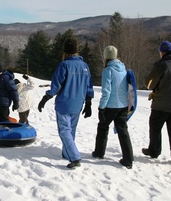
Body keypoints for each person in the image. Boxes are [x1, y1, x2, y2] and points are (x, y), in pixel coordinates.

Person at [38, 38, 94, 169]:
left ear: (65, 51)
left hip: (64, 104)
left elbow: (56, 85)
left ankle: (74, 158)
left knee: (64, 131)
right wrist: (89, 102)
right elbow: (89, 86)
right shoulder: (85, 66)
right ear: (77, 50)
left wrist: (46, 98)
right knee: (71, 130)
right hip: (78, 104)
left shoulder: (64, 65)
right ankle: (66, 153)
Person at [92, 46, 134, 169]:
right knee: (123, 131)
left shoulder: (108, 70)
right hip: (123, 105)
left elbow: (106, 91)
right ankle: (128, 159)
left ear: (106, 56)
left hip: (111, 105)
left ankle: (99, 153)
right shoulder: (123, 69)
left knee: (103, 128)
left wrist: (101, 108)